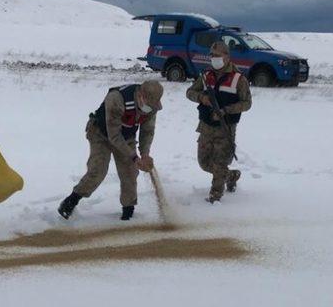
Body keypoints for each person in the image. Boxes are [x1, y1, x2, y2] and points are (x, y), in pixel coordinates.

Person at [58, 80, 164, 221]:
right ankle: (71, 201)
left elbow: (147, 131)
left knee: (130, 172)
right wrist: (134, 157)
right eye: (149, 105)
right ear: (141, 95)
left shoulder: (151, 107)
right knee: (98, 170)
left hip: (126, 136)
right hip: (101, 134)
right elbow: (114, 136)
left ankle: (128, 211)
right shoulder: (117, 99)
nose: (150, 108)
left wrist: (144, 154)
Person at [186, 40, 252, 202]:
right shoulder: (206, 75)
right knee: (204, 162)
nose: (213, 58)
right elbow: (189, 92)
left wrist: (225, 111)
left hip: (225, 128)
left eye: (217, 55)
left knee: (219, 162)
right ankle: (231, 175)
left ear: (227, 57)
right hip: (206, 126)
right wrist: (202, 97)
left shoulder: (238, 78)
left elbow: (247, 103)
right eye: (211, 55)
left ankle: (215, 196)